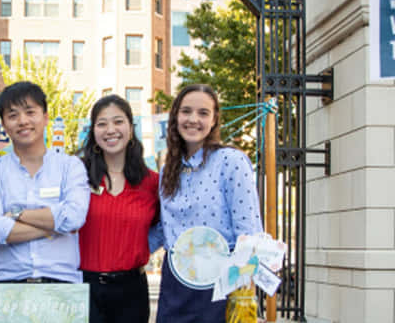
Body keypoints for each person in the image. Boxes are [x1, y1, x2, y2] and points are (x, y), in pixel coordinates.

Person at [150, 84, 263, 322]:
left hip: (221, 282)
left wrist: (244, 290)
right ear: (175, 117)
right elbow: (162, 230)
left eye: (203, 113)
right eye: (186, 111)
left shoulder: (232, 161)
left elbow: (249, 231)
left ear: (214, 120)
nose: (193, 119)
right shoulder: (167, 171)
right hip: (176, 284)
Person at [0, 81, 90, 284]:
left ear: (45, 118)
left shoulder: (70, 166)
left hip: (61, 285)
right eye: (13, 115)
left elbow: (74, 217)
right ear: (4, 125)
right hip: (9, 285)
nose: (22, 121)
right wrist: (55, 226)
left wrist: (16, 215)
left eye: (30, 112)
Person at [78, 95, 159, 323]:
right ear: (93, 131)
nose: (110, 130)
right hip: (84, 289)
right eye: (102, 124)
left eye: (118, 122)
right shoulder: (77, 176)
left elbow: (163, 226)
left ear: (131, 129)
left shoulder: (152, 182)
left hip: (132, 291)